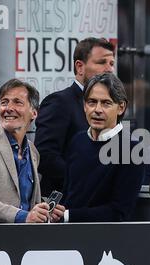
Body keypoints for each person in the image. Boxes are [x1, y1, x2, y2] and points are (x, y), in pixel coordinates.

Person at [0, 79, 65, 223]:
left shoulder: (33, 152)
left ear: (34, 113)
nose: (8, 108)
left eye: (17, 102)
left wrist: (44, 210)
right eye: (4, 102)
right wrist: (24, 217)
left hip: (22, 241)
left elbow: (25, 202)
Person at [34, 37, 115, 197]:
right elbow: (45, 156)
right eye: (102, 62)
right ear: (80, 67)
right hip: (63, 204)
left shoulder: (112, 107)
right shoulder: (59, 102)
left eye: (112, 64)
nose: (110, 69)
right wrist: (85, 180)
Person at [61, 73, 144, 222]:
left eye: (106, 103)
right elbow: (68, 194)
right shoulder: (77, 141)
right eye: (92, 102)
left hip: (106, 240)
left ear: (121, 107)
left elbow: (119, 212)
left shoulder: (131, 149)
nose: (97, 109)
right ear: (84, 106)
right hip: (66, 235)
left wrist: (68, 216)